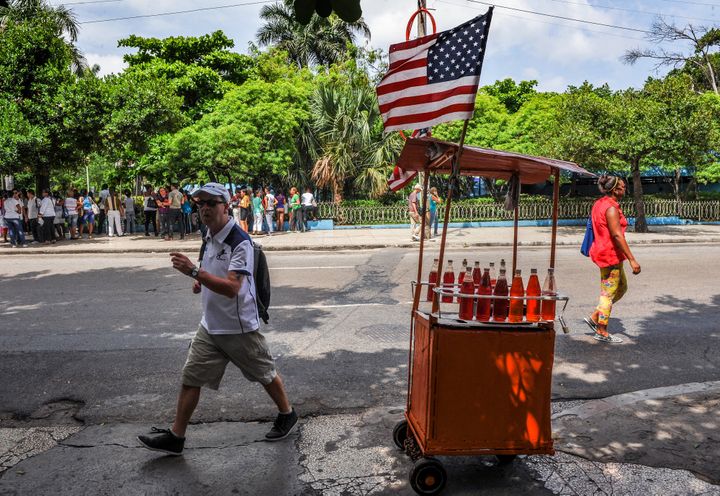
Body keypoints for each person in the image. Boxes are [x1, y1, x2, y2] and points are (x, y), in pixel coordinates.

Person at [137, 182, 297, 456]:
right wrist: (201, 280)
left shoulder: (240, 242)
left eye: (212, 203)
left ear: (226, 206)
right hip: (210, 326)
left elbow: (233, 287)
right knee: (191, 377)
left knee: (265, 373)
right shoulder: (208, 235)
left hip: (238, 327)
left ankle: (287, 413)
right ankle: (177, 436)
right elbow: (211, 270)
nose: (205, 209)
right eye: (201, 204)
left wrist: (195, 273)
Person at [583, 175, 641, 344]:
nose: (625, 189)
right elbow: (616, 235)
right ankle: (601, 330)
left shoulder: (600, 203)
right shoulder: (610, 209)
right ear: (615, 190)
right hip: (609, 255)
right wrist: (632, 259)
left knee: (621, 288)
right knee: (607, 294)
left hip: (609, 253)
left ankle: (595, 316)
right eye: (622, 187)